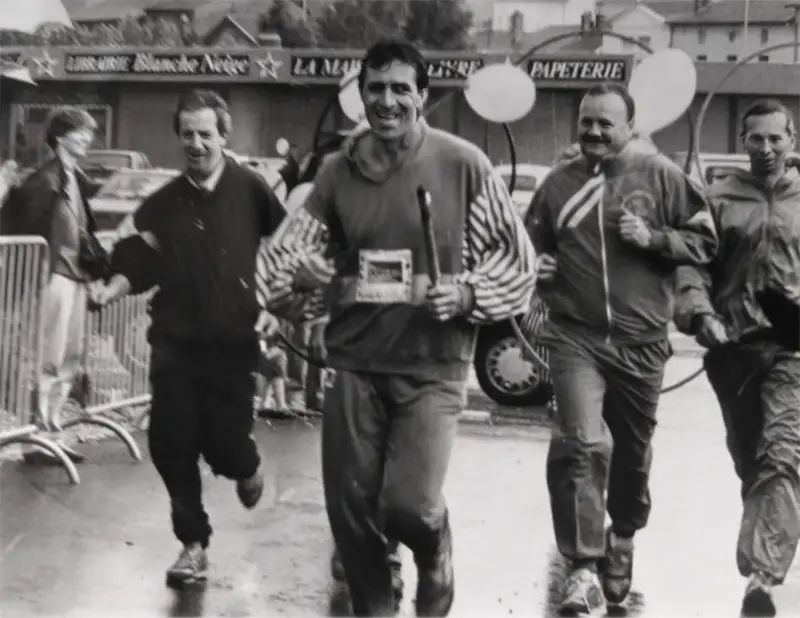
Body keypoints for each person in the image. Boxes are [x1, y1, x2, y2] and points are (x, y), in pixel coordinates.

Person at [260, 40, 537, 617]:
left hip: (432, 366)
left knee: (409, 506)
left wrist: (464, 292)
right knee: (352, 509)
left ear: (423, 98)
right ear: (360, 95)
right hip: (355, 361)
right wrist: (309, 280)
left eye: (400, 89)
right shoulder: (337, 173)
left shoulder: (462, 165)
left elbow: (517, 261)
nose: (387, 101)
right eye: (376, 89)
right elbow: (282, 266)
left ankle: (435, 550)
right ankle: (375, 607)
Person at [525, 83, 718, 616]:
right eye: (586, 121)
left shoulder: (659, 176)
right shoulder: (558, 184)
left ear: (629, 128)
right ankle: (583, 566)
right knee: (580, 443)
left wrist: (654, 238)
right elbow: (528, 246)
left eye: (605, 123)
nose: (593, 131)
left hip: (641, 341)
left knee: (631, 457)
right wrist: (537, 269)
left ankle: (624, 535)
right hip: (574, 335)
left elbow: (706, 242)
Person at [92, 89, 286, 588]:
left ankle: (245, 466)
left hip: (233, 343)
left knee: (225, 447)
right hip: (175, 343)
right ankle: (192, 544)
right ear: (178, 137)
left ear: (224, 135)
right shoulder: (164, 203)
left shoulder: (252, 191)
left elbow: (287, 253)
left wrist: (277, 312)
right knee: (170, 444)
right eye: (188, 135)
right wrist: (110, 289)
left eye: (206, 134)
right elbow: (139, 260)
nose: (196, 144)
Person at [675, 99, 800, 617]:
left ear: (792, 140)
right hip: (734, 352)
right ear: (743, 142)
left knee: (785, 455)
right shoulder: (719, 198)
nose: (767, 149)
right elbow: (691, 269)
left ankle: (763, 579)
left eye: (777, 138)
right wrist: (701, 316)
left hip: (793, 351)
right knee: (752, 463)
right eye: (757, 139)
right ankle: (759, 557)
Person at [0, 107, 106, 464]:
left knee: (69, 357)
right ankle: (37, 440)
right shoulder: (44, 179)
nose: (87, 137)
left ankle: (53, 431)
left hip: (74, 275)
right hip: (54, 275)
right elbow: (20, 220)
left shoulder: (73, 177)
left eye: (88, 132)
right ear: (60, 137)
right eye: (79, 132)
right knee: (49, 357)